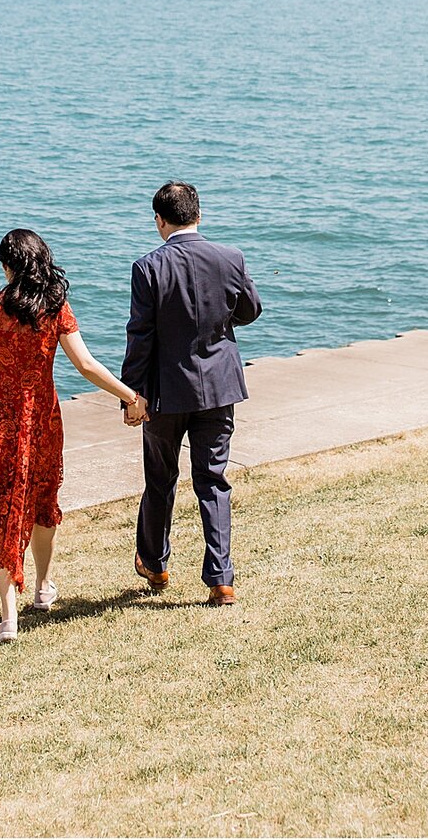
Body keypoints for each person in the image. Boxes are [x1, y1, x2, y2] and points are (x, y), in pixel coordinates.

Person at [0, 229, 150, 642]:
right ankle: (43, 588)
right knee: (42, 500)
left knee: (1, 508)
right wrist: (130, 395)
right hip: (43, 422)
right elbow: (85, 365)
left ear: (5, 265)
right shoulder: (55, 308)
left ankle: (9, 618)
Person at [121, 181, 263, 605]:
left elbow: (140, 337)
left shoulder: (148, 268)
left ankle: (155, 563)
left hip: (166, 393)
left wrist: (132, 395)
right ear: (199, 214)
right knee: (213, 480)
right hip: (219, 388)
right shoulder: (230, 257)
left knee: (160, 479)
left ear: (159, 221)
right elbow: (251, 310)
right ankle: (221, 579)